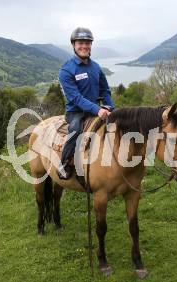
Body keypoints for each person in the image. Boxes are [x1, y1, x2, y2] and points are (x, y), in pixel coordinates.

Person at [57, 27, 115, 180]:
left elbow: (105, 90)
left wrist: (110, 107)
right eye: (80, 43)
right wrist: (97, 109)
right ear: (74, 45)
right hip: (76, 112)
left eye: (87, 43)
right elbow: (75, 98)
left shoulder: (96, 67)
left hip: (96, 110)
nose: (84, 46)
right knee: (75, 129)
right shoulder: (66, 70)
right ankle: (64, 164)